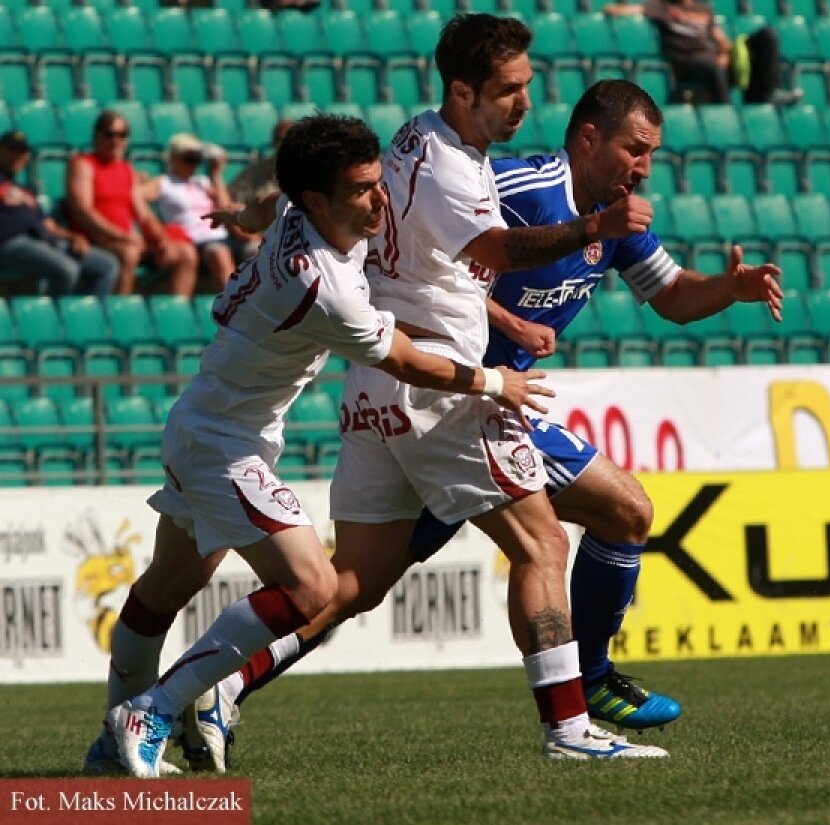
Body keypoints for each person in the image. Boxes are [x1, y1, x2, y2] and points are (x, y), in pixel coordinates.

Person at [200, 79, 784, 763]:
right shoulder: (517, 186)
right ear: (589, 139)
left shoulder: (618, 218)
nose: (644, 167)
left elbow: (676, 297)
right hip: (462, 402)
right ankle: (582, 697)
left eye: (651, 154)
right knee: (596, 519)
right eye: (634, 149)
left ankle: (223, 686)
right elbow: (386, 214)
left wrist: (730, 290)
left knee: (362, 582)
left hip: (471, 407)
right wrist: (264, 211)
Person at [87, 113, 553, 778]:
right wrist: (492, 380)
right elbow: (409, 363)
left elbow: (270, 204)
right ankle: (152, 709)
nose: (380, 199)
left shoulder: (307, 209)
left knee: (165, 587)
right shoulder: (322, 287)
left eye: (376, 182)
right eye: (362, 190)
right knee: (312, 584)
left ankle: (112, 745)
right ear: (320, 200)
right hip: (222, 442)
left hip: (209, 418)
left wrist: (243, 218)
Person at [66, 110, 199, 295]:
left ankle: (177, 317)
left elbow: (143, 213)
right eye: (110, 134)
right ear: (97, 136)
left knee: (186, 254)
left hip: (130, 240)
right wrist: (121, 236)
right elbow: (83, 211)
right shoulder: (83, 164)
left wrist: (160, 239)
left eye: (122, 135)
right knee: (129, 253)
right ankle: (120, 313)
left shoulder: (126, 169)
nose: (116, 140)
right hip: (98, 240)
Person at [605, 0, 795, 106]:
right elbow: (627, 10)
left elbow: (721, 41)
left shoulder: (703, 9)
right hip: (689, 63)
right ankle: (726, 113)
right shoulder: (663, 7)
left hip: (713, 63)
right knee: (711, 66)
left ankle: (765, 95)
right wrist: (612, 9)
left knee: (766, 36)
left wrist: (725, 54)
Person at [0, 130, 119, 297]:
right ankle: (48, 320)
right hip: (9, 244)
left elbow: (49, 226)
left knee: (107, 265)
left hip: (43, 241)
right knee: (67, 269)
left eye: (22, 152)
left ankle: (86, 319)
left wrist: (73, 237)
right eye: (11, 150)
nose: (17, 156)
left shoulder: (27, 191)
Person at [141, 133, 237, 294]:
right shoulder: (164, 182)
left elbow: (225, 208)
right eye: (188, 158)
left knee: (256, 250)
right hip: (194, 239)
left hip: (219, 235)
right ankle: (235, 308)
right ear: (173, 159)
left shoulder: (202, 182)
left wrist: (216, 175)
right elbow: (136, 196)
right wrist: (152, 225)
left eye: (196, 159)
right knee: (218, 252)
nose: (193, 164)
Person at [228, 119, 294, 261]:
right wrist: (248, 235)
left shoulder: (311, 174)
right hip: (259, 238)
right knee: (257, 251)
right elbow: (232, 205)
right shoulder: (253, 172)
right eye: (281, 140)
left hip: (298, 239)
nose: (285, 145)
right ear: (273, 143)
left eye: (292, 140)